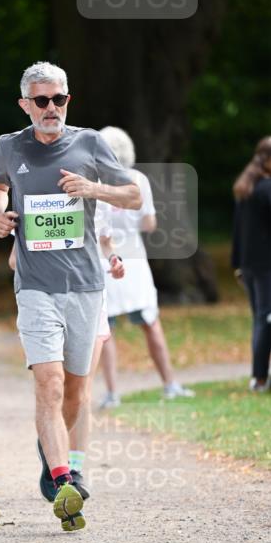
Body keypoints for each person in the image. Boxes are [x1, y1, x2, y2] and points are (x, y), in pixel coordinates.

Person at [0, 61, 141, 532]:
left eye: (59, 99)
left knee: (75, 391)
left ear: (68, 100)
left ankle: (58, 456)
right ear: (25, 104)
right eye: (41, 100)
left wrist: (92, 187)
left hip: (86, 287)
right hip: (35, 285)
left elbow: (133, 196)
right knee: (49, 384)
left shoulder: (90, 142)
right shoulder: (10, 146)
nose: (51, 108)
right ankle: (62, 478)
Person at [11, 208, 126, 503]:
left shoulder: (98, 199)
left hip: (92, 300)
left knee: (81, 390)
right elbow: (14, 258)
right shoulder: (41, 198)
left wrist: (113, 260)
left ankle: (72, 466)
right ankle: (59, 463)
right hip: (47, 297)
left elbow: (106, 243)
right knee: (52, 386)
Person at [95, 127, 195, 408]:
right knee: (151, 323)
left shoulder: (95, 183)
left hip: (106, 260)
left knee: (106, 330)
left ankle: (112, 393)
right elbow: (150, 223)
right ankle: (169, 383)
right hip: (134, 261)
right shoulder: (137, 180)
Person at [232, 135, 271, 392]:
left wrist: (237, 263)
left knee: (261, 318)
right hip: (266, 265)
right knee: (266, 319)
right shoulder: (266, 189)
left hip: (249, 265)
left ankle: (258, 376)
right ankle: (259, 378)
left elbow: (238, 231)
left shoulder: (246, 186)